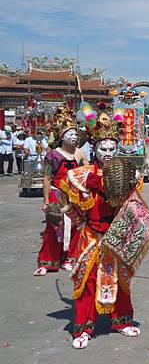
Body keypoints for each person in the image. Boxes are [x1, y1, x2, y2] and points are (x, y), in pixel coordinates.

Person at [62, 110, 149, 349]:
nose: (107, 154)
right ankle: (83, 328)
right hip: (91, 236)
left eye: (111, 149)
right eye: (102, 149)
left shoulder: (127, 174)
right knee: (86, 282)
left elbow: (133, 208)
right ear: (94, 150)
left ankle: (121, 320)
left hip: (116, 236)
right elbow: (73, 209)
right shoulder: (82, 176)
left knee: (120, 281)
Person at [34, 104, 88, 276]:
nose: (74, 137)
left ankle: (70, 259)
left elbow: (87, 172)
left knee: (75, 227)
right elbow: (47, 178)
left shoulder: (79, 154)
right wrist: (46, 201)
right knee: (54, 228)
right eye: (70, 134)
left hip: (74, 195)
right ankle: (47, 262)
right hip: (57, 193)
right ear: (62, 136)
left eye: (75, 133)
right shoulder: (53, 155)